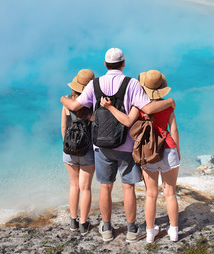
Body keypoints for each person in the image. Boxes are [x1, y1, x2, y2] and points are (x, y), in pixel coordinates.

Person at [60, 48, 174, 243]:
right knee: (128, 187)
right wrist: (170, 102)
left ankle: (106, 228)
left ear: (105, 64)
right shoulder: (132, 84)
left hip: (101, 146)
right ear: (123, 64)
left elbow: (74, 107)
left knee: (105, 187)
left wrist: (63, 99)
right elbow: (147, 108)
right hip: (127, 145)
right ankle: (131, 230)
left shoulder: (94, 84)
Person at [102, 69, 180, 243]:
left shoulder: (138, 106)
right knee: (170, 194)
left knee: (151, 194)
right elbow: (173, 129)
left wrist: (109, 108)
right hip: (169, 149)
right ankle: (174, 231)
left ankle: (151, 233)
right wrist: (178, 151)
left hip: (148, 152)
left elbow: (128, 122)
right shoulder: (168, 105)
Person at [60, 69, 96, 235]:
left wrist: (69, 144)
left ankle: (72, 221)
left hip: (69, 150)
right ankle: (83, 224)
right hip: (87, 152)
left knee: (74, 185)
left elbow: (63, 128)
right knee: (85, 188)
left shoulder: (67, 103)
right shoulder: (91, 105)